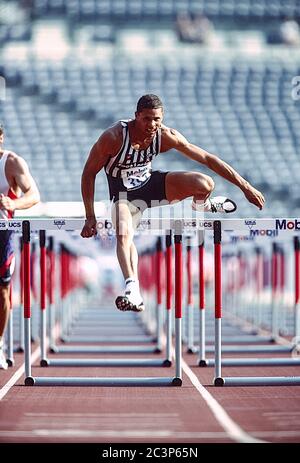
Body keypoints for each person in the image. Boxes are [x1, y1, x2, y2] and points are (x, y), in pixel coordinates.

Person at [80, 94, 265, 312]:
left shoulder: (166, 135)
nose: (152, 125)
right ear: (136, 116)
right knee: (123, 232)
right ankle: (133, 289)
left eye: (156, 119)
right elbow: (88, 173)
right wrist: (90, 216)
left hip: (152, 185)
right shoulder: (113, 137)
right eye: (147, 119)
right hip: (125, 195)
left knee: (204, 183)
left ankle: (201, 205)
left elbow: (207, 158)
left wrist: (245, 187)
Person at [0, 124, 40, 369]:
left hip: (1, 231)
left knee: (2, 289)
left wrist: (11, 204)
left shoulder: (11, 162)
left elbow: (34, 195)